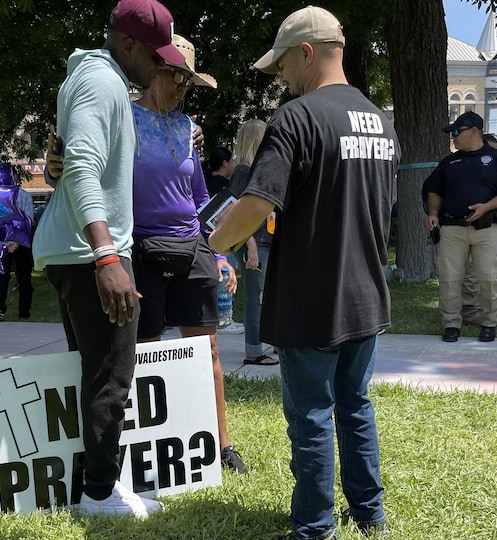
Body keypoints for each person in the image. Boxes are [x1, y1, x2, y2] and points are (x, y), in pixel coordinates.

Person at [209, 7, 397, 538]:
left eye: (282, 65)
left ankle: (314, 527)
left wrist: (212, 245)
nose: (281, 78)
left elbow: (256, 203)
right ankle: (369, 515)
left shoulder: (296, 119)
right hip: (366, 292)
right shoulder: (381, 122)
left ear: (306, 52)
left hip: (311, 297)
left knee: (312, 414)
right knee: (355, 406)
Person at [31, 0, 182, 518]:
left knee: (96, 372)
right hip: (90, 251)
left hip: (74, 248)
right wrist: (106, 256)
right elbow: (81, 167)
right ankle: (99, 494)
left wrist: (57, 168)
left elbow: (69, 162)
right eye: (156, 57)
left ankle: (94, 481)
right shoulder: (102, 83)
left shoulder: (91, 78)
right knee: (111, 378)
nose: (160, 68)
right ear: (128, 44)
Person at [129, 33, 248, 474]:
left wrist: (219, 254)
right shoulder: (124, 118)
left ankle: (221, 445)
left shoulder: (187, 129)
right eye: (175, 76)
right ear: (153, 71)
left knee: (207, 352)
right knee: (145, 352)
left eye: (187, 81)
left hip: (192, 245)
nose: (181, 87)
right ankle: (147, 448)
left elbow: (199, 199)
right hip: (142, 245)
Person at [424, 111, 497, 343]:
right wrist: (433, 213)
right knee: (449, 279)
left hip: (486, 228)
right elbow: (434, 191)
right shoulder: (449, 162)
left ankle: (489, 324)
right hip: (452, 228)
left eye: (457, 132)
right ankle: (451, 324)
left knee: (489, 278)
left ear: (474, 131)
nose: (453, 137)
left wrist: (487, 207)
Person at [226, 118, 277, 366]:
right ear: (252, 139)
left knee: (269, 296)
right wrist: (251, 244)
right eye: (263, 134)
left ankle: (274, 341)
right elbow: (232, 210)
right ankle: (254, 351)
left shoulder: (258, 169)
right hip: (254, 243)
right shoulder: (243, 172)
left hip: (267, 240)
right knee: (256, 297)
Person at [0, 187, 34, 321]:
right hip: (19, 241)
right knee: (22, 277)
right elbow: (29, 220)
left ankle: (1, 309)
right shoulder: (25, 196)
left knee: (5, 276)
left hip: (7, 240)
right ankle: (24, 313)